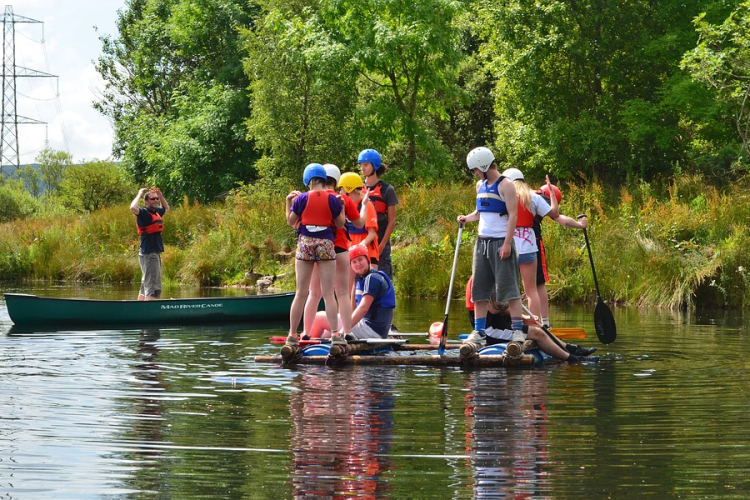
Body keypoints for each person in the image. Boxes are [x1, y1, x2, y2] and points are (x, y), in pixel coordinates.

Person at [457, 146, 524, 346]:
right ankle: (479, 331)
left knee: (509, 288)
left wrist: (506, 244)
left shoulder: (506, 185)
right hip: (482, 243)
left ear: (485, 165)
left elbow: (513, 215)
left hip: (500, 242)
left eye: (476, 169)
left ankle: (517, 331)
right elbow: (479, 213)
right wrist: (465, 218)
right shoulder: (480, 185)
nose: (475, 173)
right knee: (480, 288)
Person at [302, 164, 368, 338]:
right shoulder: (343, 199)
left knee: (314, 293)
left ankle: (306, 333)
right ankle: (346, 332)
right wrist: (366, 205)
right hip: (340, 250)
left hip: (319, 252)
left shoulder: (312, 197)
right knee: (343, 293)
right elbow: (360, 223)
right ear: (336, 180)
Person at [465, 275, 597, 360]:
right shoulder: (482, 279)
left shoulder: (495, 273)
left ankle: (570, 348)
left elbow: (502, 310)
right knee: (537, 333)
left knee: (537, 327)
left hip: (499, 323)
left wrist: (525, 318)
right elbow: (493, 309)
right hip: (489, 330)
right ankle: (572, 359)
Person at [285, 163, 346, 346]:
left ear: (308, 180)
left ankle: (292, 335)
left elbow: (290, 221)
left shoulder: (301, 199)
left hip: (305, 243)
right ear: (324, 179)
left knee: (301, 293)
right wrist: (341, 207)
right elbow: (341, 224)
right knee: (328, 293)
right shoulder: (333, 199)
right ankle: (335, 334)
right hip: (326, 244)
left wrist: (289, 202)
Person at [501, 167, 556, 321]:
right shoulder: (533, 197)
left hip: (509, 247)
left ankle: (515, 324)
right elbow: (555, 214)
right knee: (532, 290)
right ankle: (537, 325)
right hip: (529, 247)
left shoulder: (503, 198)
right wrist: (551, 193)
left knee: (511, 291)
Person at [311, 244, 395, 340]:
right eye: (354, 262)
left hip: (371, 329)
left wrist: (344, 330)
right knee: (327, 332)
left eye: (360, 259)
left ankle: (309, 345)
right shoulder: (363, 279)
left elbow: (363, 308)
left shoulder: (372, 279)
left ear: (368, 259)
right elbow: (354, 309)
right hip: (372, 328)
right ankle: (317, 340)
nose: (358, 264)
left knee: (319, 318)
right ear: (351, 265)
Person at [534, 181, 589, 328]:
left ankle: (516, 322)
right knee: (539, 285)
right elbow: (561, 219)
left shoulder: (522, 194)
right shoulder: (542, 199)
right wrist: (580, 225)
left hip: (510, 243)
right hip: (532, 243)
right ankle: (544, 323)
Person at [359, 149, 398, 280]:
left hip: (380, 242)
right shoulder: (357, 189)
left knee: (383, 281)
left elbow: (391, 221)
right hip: (362, 241)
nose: (362, 168)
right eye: (361, 165)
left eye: (366, 165)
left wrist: (382, 245)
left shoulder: (387, 190)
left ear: (374, 166)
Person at [130, 187, 170, 300]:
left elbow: (166, 208)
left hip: (151, 253)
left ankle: (140, 309)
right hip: (149, 253)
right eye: (153, 198)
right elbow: (133, 207)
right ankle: (150, 312)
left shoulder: (156, 212)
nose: (156, 200)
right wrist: (139, 194)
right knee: (152, 286)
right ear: (146, 201)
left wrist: (160, 195)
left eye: (157, 199)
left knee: (146, 284)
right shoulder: (143, 212)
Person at [339, 172, 379, 268]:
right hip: (350, 251)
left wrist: (360, 246)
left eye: (341, 188)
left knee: (368, 282)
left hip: (368, 252)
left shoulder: (366, 205)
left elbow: (372, 233)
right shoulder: (345, 205)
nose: (340, 192)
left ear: (349, 189)